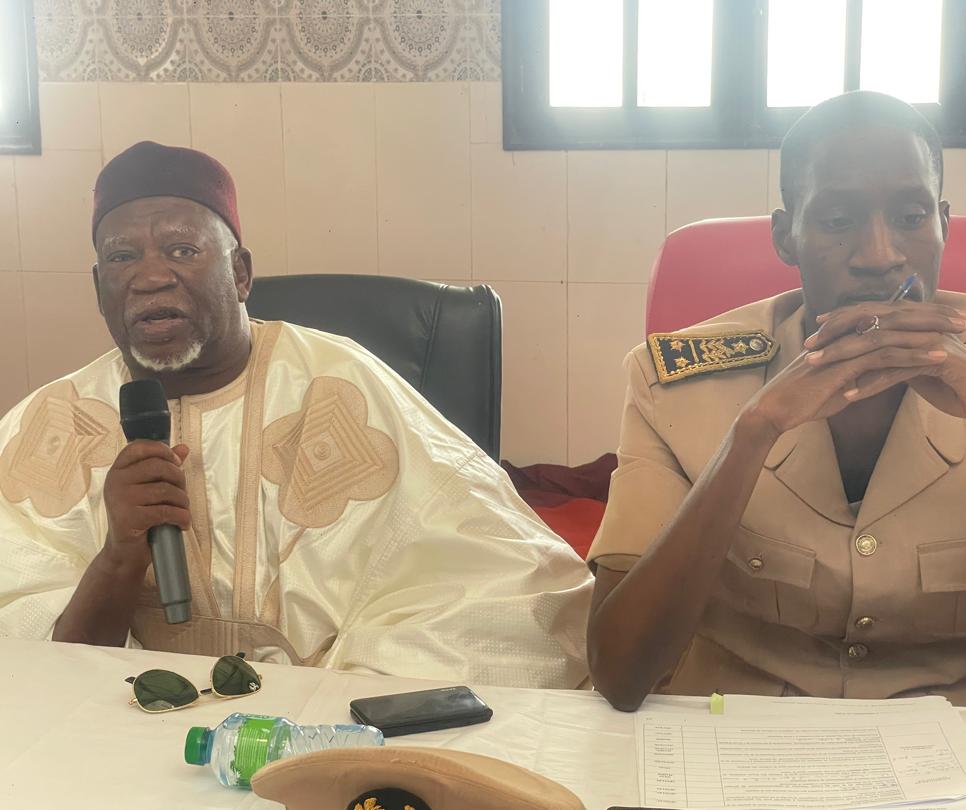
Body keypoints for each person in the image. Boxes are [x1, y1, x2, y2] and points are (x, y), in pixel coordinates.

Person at [0, 141, 593, 689]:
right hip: (120, 727)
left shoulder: (341, 384)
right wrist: (119, 556)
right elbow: (38, 673)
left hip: (328, 727)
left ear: (240, 273)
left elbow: (508, 595)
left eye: (182, 250)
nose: (151, 276)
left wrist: (308, 716)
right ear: (98, 286)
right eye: (122, 256)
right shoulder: (46, 426)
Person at [586, 92, 966, 710]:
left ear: (943, 226)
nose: (880, 256)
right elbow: (619, 670)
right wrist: (753, 433)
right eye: (838, 220)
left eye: (911, 216)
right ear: (786, 236)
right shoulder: (673, 385)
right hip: (738, 730)